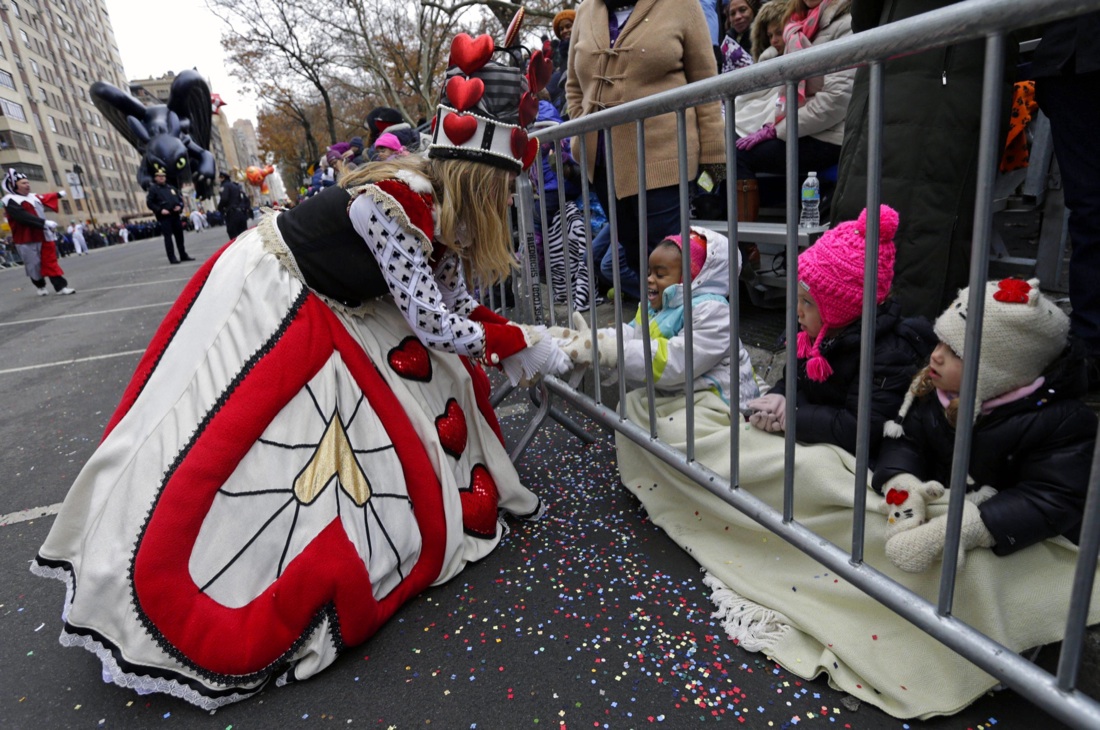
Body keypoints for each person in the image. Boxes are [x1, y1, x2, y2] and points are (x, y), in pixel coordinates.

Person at [31, 32, 570, 710]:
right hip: (279, 290)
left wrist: (514, 338)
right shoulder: (394, 203)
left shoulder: (443, 209)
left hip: (347, 298)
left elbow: (453, 303)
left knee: (409, 404)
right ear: (481, 179)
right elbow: (434, 323)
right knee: (237, 437)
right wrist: (522, 339)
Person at [873, 278, 1098, 572]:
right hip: (948, 502)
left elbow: (1052, 498)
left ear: (1001, 372)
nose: (936, 355)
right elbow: (906, 441)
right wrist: (902, 481)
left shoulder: (1063, 423)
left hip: (1020, 538)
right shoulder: (934, 390)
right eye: (940, 339)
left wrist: (973, 526)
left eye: (955, 352)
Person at [830, 0, 1016, 320]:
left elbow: (863, 16)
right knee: (934, 220)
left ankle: (847, 338)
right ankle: (910, 348)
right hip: (960, 64)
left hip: (902, 61)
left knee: (870, 213)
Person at [566, 0, 726, 300]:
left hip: (665, 161)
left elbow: (706, 85)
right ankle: (656, 336)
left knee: (669, 262)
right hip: (604, 164)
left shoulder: (681, 5)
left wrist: (714, 158)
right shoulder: (587, 10)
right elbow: (574, 86)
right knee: (638, 260)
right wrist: (581, 126)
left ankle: (689, 339)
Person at [746, 205, 935, 456]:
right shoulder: (815, 333)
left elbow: (857, 429)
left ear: (842, 308)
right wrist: (779, 397)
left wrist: (792, 416)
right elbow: (796, 376)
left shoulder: (886, 355)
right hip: (815, 432)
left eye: (807, 302)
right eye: (798, 298)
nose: (797, 311)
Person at [561, 227, 760, 410]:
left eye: (660, 274)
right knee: (629, 408)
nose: (649, 279)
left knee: (653, 421)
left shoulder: (713, 312)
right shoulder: (654, 305)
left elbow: (678, 360)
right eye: (649, 272)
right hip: (682, 392)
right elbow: (632, 333)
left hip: (720, 400)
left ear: (690, 278)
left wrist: (614, 352)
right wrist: (592, 339)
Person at [734, 0, 854, 218]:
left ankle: (744, 246)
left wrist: (777, 129)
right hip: (802, 128)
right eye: (770, 36)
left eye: (777, 33)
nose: (774, 40)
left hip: (828, 137)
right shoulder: (799, 26)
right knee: (726, 147)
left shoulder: (846, 23)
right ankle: (710, 204)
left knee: (738, 155)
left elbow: (836, 101)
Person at [1031, 11, 1100, 389]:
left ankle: (1091, 343)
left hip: (1070, 60)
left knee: (1090, 211)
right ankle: (1091, 346)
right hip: (1071, 61)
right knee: (1089, 210)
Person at [3, 169, 75, 296]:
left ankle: (61, 287)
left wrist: (58, 194)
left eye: (28, 182)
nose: (27, 185)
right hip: (25, 238)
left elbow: (46, 197)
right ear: (15, 185)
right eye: (24, 183)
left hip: (44, 236)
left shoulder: (34, 197)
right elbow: (21, 216)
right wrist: (44, 223)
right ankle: (40, 286)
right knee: (33, 266)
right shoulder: (10, 200)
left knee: (50, 262)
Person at [146, 168, 193, 264]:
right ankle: (172, 257)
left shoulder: (171, 188)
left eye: (163, 176)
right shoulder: (153, 189)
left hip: (175, 215)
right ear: (156, 178)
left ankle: (183, 254)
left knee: (179, 236)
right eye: (159, 176)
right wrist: (160, 210)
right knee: (168, 238)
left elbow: (180, 199)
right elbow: (150, 203)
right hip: (164, 217)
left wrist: (180, 207)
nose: (161, 178)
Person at [719, 0, 760, 73]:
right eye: (732, 13)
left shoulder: (768, 36)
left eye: (743, 10)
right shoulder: (727, 46)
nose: (737, 17)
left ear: (753, 11)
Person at [218, 171, 251, 239]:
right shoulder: (236, 186)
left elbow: (224, 199)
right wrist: (245, 208)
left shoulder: (225, 185)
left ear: (223, 178)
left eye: (220, 178)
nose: (219, 180)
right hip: (242, 213)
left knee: (234, 237)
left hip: (232, 214)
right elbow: (246, 199)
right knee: (244, 237)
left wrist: (219, 208)